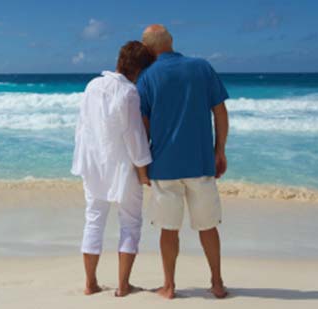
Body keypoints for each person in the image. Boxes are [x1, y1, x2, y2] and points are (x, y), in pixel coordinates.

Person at [137, 24, 230, 299]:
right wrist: (219, 150)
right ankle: (216, 282)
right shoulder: (201, 67)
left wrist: (141, 166)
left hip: (164, 166)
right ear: (171, 42)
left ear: (147, 48)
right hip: (200, 163)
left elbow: (143, 128)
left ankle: (169, 286)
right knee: (208, 226)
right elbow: (220, 111)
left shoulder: (147, 77)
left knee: (168, 229)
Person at [71, 41, 154, 297]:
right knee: (130, 222)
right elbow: (134, 134)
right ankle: (123, 286)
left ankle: (90, 284)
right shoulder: (129, 92)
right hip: (121, 165)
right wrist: (143, 168)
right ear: (140, 70)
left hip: (93, 162)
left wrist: (82, 160)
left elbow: (82, 126)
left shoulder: (92, 85)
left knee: (94, 220)